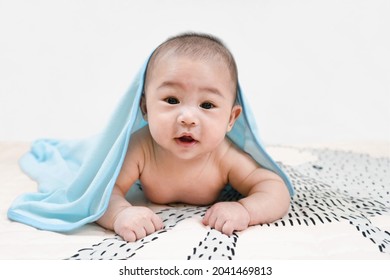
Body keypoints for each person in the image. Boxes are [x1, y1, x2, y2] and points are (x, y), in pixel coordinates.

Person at [97, 33, 291, 242]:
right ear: (145, 108)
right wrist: (120, 213)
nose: (188, 118)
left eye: (207, 105)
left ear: (230, 119)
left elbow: (274, 189)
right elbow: (102, 192)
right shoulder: (142, 147)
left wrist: (245, 210)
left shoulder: (224, 155)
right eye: (171, 100)